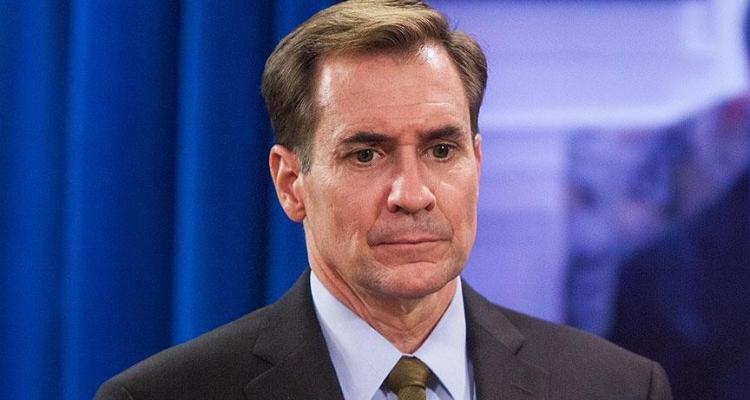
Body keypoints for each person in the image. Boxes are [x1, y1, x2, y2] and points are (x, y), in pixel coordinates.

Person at [96, 1, 672, 399]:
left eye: (441, 150)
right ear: (291, 183)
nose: (412, 195)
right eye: (366, 155)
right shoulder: (162, 396)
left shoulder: (617, 388)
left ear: (478, 162)